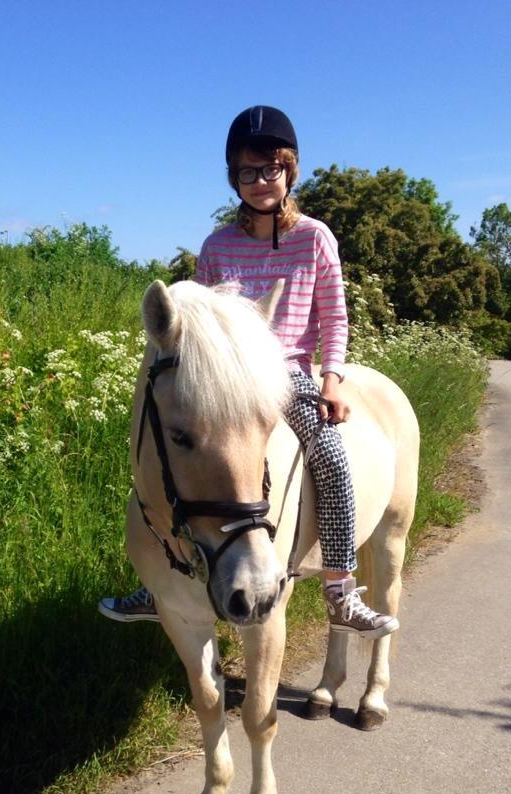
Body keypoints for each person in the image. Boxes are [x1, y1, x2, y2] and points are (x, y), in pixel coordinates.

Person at [99, 105, 398, 640]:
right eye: (247, 172)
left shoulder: (314, 238)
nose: (260, 181)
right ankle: (161, 579)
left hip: (287, 374)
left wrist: (330, 378)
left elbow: (334, 315)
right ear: (233, 177)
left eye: (270, 169)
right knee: (171, 455)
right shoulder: (216, 245)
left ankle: (339, 587)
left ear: (290, 171)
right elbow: (200, 323)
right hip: (227, 379)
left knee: (329, 456)